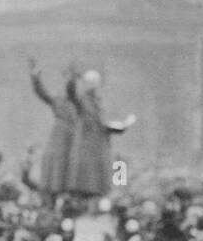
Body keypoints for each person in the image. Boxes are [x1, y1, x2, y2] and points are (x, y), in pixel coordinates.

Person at [65, 69, 135, 199]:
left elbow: (103, 123)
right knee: (86, 178)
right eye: (90, 82)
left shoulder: (99, 101)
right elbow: (71, 94)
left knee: (100, 176)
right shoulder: (81, 99)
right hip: (86, 143)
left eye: (95, 82)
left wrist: (122, 126)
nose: (93, 85)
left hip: (100, 143)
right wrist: (72, 80)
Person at [29, 57, 77, 201]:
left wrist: (71, 77)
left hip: (73, 134)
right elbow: (41, 92)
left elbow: (71, 88)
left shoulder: (78, 101)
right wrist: (35, 75)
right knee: (55, 161)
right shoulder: (57, 99)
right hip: (59, 135)